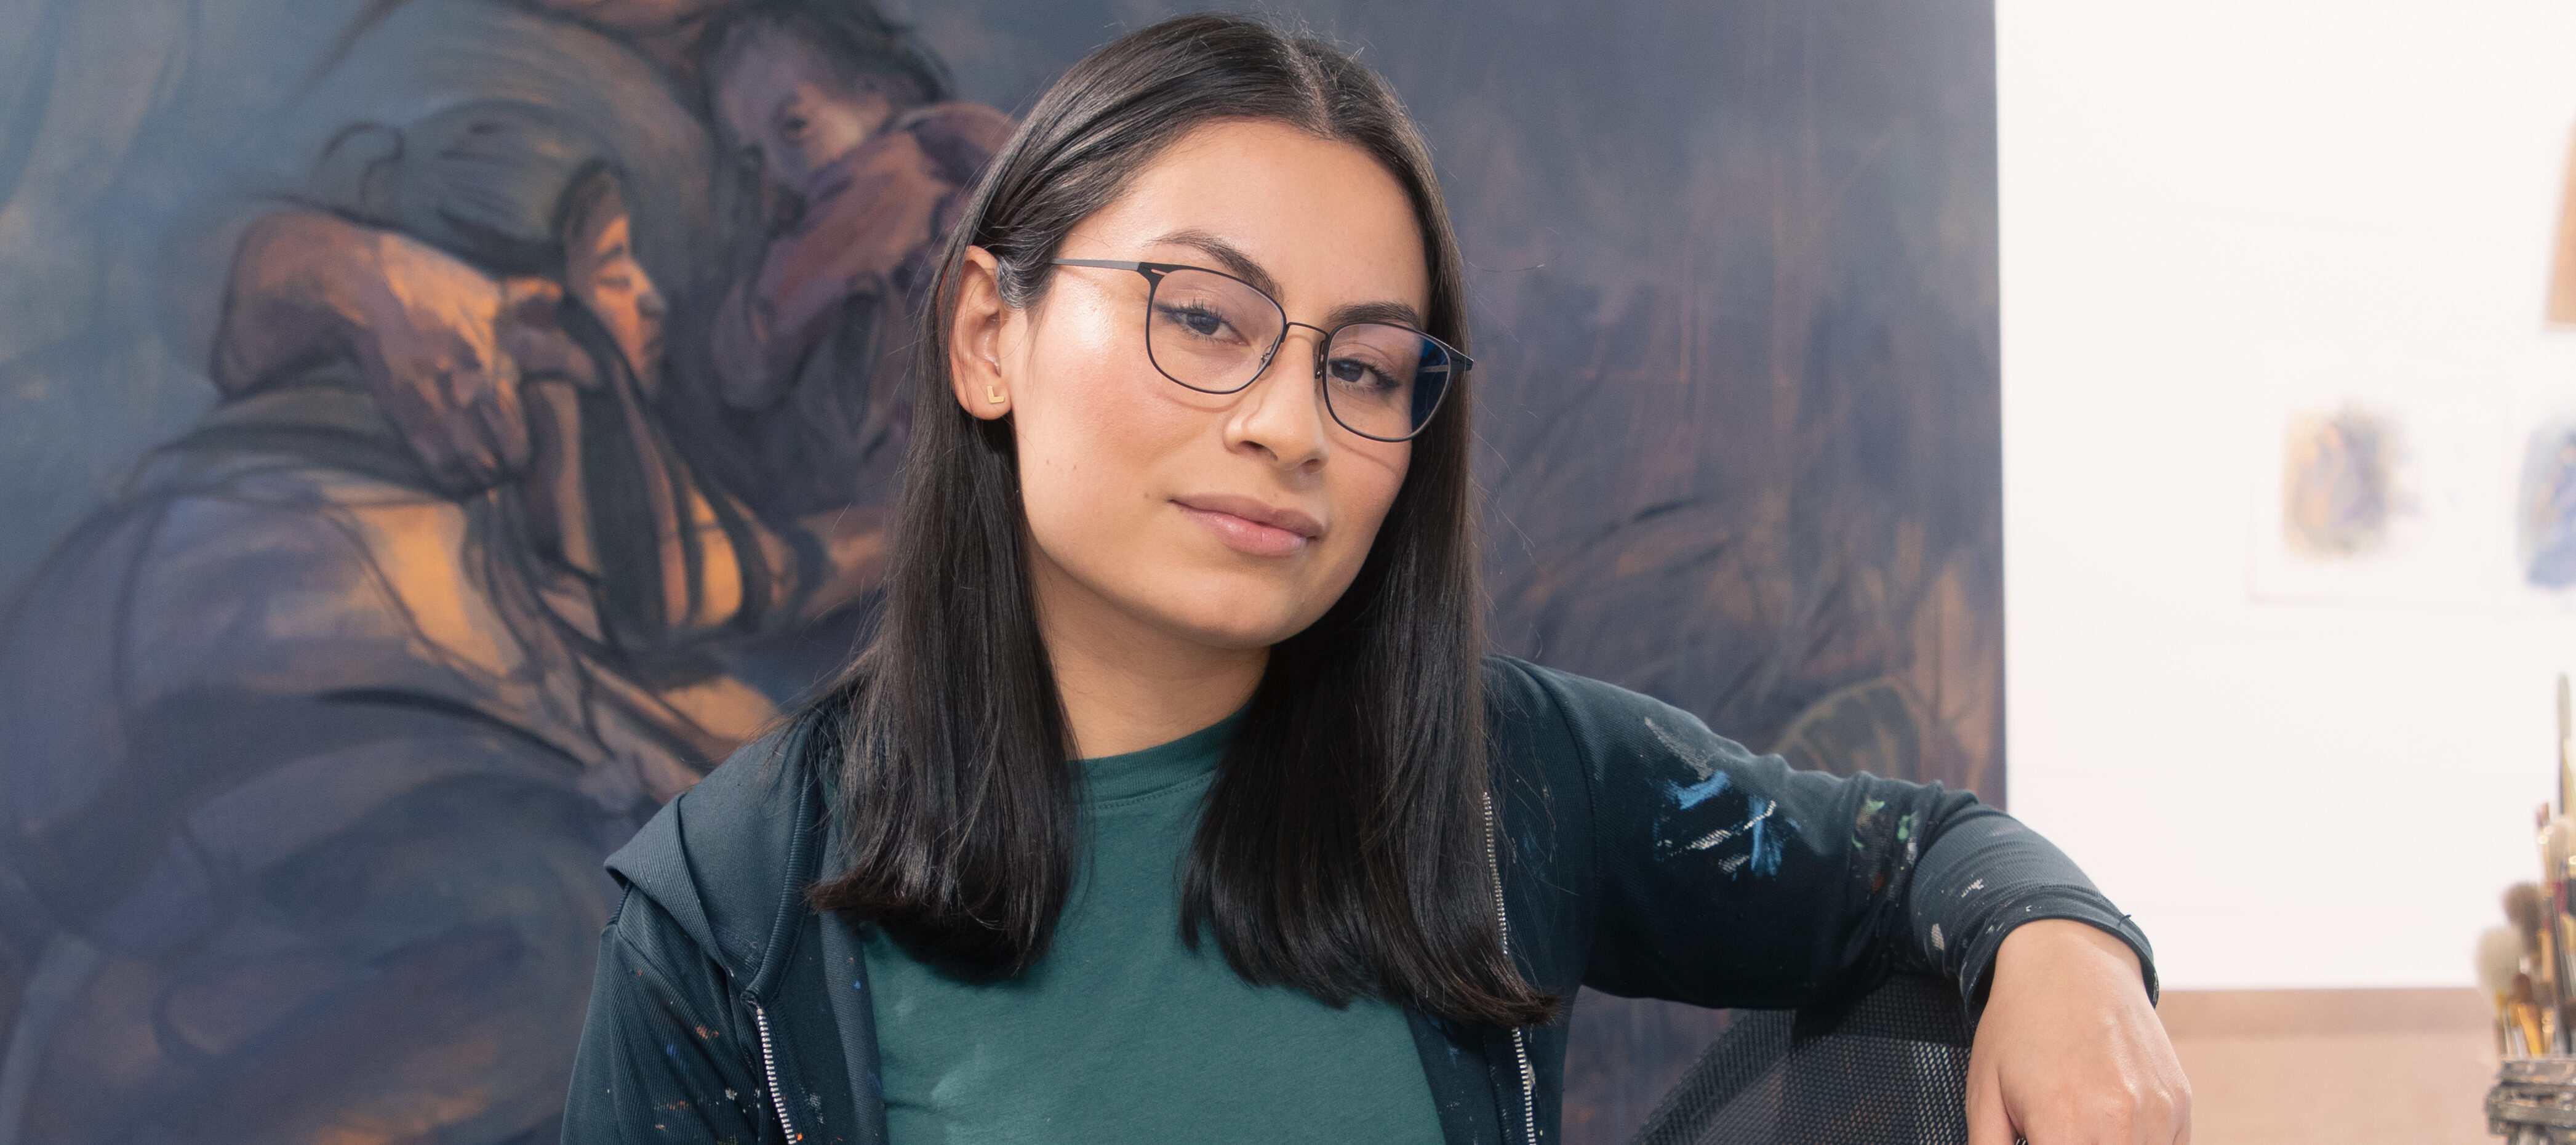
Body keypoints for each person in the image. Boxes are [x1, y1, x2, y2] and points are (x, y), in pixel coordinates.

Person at [561, 14, 2191, 1145]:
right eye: (1203, 317)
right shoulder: (728, 921)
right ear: (988, 333)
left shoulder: (1503, 780)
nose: (1289, 425)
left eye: (1368, 363)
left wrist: (2061, 944)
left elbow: (1907, 852)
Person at [0, 101, 772, 1145]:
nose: (647, 297)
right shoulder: (502, 360)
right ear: (540, 289)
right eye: (618, 262)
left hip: (177, 693)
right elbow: (675, 593)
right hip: (245, 662)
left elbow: (587, 643)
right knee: (559, 933)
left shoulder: (468, 416)